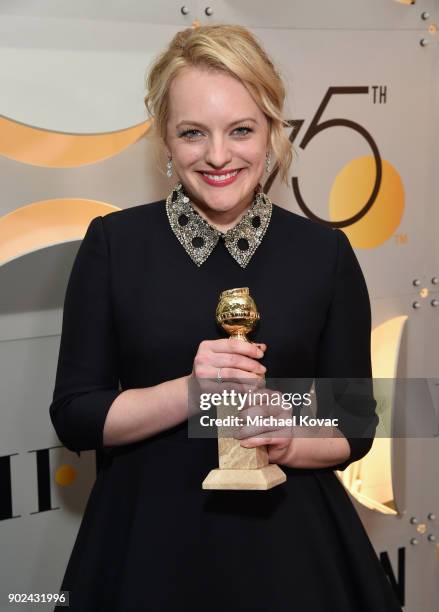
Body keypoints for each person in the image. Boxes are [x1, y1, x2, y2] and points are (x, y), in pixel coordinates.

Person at [50, 24, 403, 612]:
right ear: (165, 138)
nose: (217, 156)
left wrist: (289, 437)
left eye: (241, 129)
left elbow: (356, 422)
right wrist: (192, 394)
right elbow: (76, 415)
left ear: (271, 131)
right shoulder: (115, 244)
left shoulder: (324, 254)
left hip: (290, 551)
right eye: (193, 133)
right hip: (144, 548)